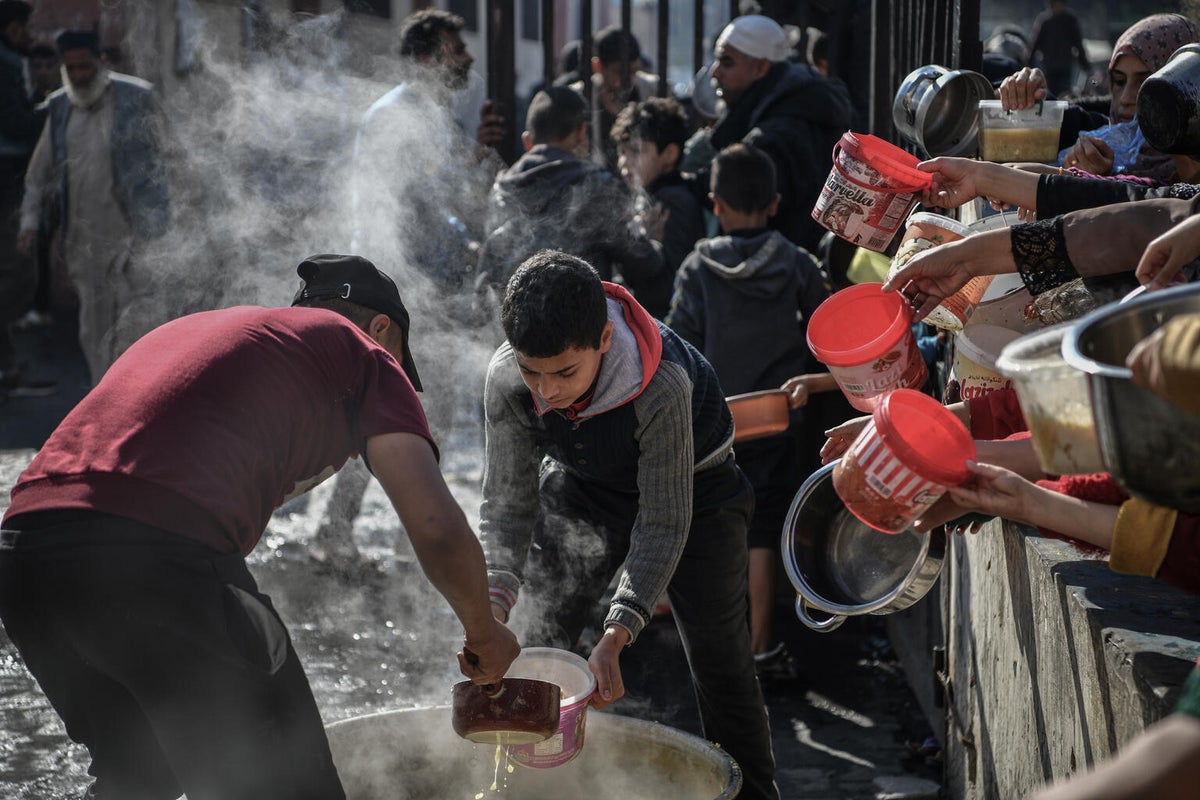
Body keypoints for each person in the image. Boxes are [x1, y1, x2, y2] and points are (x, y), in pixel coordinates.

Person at [0, 253, 521, 800]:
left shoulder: (203, 332)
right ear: (382, 328)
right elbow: (436, 524)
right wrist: (484, 634)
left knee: (141, 775)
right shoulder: (364, 353)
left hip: (25, 562)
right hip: (149, 562)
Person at [478, 250, 781, 800]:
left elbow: (663, 522)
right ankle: (521, 788)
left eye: (565, 372)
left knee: (722, 668)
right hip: (583, 485)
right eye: (532, 372)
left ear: (603, 341)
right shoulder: (506, 378)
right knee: (536, 643)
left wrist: (617, 633)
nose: (546, 391)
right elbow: (506, 504)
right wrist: (492, 608)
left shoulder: (661, 383)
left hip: (699, 489)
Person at [665, 143, 829, 677]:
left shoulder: (696, 267)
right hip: (780, 418)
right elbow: (822, 330)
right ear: (776, 203)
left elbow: (679, 343)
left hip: (718, 422)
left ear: (715, 202)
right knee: (764, 533)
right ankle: (762, 647)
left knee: (719, 528)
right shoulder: (797, 263)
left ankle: (719, 652)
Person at [17, 29, 170, 386]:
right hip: (83, 242)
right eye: (71, 70)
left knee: (138, 323)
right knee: (93, 330)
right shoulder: (59, 107)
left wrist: (165, 219)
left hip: (132, 236)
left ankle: (138, 398)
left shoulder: (136, 97)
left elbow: (169, 158)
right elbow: (38, 174)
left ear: (101, 62)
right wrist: (30, 221)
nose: (79, 76)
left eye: (85, 67)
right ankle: (104, 401)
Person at [477, 86, 662, 300]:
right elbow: (644, 264)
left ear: (527, 141)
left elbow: (486, 285)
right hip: (578, 328)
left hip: (510, 327)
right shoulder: (598, 187)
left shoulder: (501, 191)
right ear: (582, 132)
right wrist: (653, 240)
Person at [706, 14, 853, 253]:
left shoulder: (770, 137)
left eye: (727, 62)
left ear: (761, 67)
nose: (715, 72)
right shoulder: (803, 106)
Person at [999, 13, 1198, 181]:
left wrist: (1092, 186)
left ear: (1182, 84)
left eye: (1144, 83)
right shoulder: (1100, 139)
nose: (1126, 99)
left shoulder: (1189, 171)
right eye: (1119, 82)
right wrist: (1022, 92)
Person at [610, 95, 706, 319]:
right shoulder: (650, 196)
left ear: (669, 154)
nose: (624, 162)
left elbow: (671, 284)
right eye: (622, 152)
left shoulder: (673, 201)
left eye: (635, 151)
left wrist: (646, 248)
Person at [0, 0, 52, 396]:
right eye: (20, 27)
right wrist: (53, 110)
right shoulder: (4, 63)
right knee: (19, 275)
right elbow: (15, 123)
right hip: (8, 178)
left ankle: (8, 368)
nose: (25, 34)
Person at [570, 25, 659, 173]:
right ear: (598, 66)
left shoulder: (652, 90)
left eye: (634, 71)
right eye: (619, 72)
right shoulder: (577, 97)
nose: (629, 80)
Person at [1029, 0, 1089, 97]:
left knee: (1064, 94)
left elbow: (1078, 42)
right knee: (1049, 93)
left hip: (1064, 65)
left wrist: (1085, 64)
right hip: (1049, 66)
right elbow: (1035, 44)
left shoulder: (1070, 19)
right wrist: (1029, 63)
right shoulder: (1044, 21)